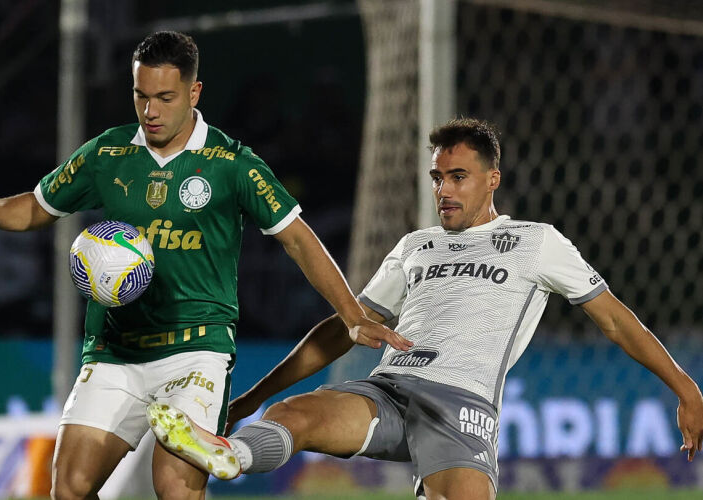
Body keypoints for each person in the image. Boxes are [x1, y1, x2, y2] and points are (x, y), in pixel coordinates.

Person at [0, 31, 409, 500]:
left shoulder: (232, 164)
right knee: (69, 489)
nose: (151, 111)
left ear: (194, 92)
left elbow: (299, 241)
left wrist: (352, 315)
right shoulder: (107, 152)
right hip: (114, 349)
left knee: (175, 488)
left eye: (165, 97)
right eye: (141, 96)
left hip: (195, 350)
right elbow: (39, 207)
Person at [146, 117, 703, 500]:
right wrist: (251, 399)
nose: (444, 190)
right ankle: (231, 456)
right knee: (296, 414)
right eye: (438, 177)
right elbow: (345, 329)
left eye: (457, 177)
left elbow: (613, 318)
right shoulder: (415, 246)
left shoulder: (537, 241)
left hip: (460, 406)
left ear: (492, 180)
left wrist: (686, 388)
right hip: (387, 389)